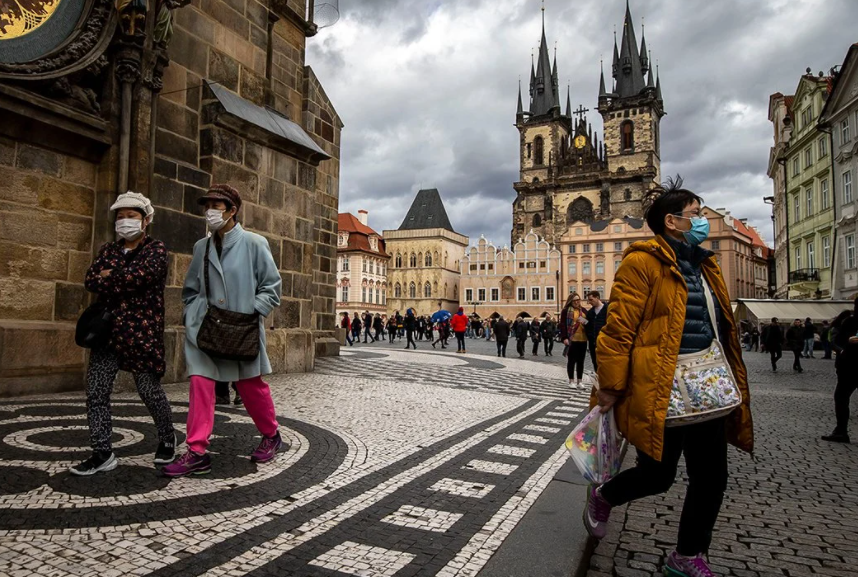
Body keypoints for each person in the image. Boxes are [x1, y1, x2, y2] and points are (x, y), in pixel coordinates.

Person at [584, 177, 752, 577]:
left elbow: (719, 323)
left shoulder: (705, 264)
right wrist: (609, 386)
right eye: (695, 215)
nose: (702, 221)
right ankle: (606, 494)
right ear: (671, 222)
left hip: (708, 385)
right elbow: (618, 328)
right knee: (657, 476)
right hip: (661, 384)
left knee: (711, 478)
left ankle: (687, 555)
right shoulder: (641, 262)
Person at [163, 184, 283, 477]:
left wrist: (252, 309)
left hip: (241, 329)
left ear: (233, 211)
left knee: (250, 386)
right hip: (206, 330)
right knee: (201, 384)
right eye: (208, 206)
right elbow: (190, 289)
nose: (211, 211)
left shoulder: (255, 244)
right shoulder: (200, 247)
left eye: (218, 206)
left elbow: (272, 286)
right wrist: (194, 314)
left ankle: (271, 434)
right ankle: (197, 451)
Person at [71, 192, 177, 476]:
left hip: (141, 333)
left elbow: (140, 277)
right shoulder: (108, 250)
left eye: (131, 216)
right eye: (120, 216)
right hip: (107, 333)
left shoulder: (156, 250)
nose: (125, 221)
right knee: (96, 392)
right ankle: (102, 451)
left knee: (148, 390)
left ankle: (168, 438)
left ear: (146, 220)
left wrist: (112, 276)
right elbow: (92, 279)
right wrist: (115, 276)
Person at [822, 305, 858, 443]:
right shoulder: (848, 322)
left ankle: (841, 431)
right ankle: (840, 431)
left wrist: (845, 347)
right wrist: (846, 345)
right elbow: (836, 342)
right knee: (841, 398)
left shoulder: (849, 322)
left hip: (849, 367)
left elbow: (837, 342)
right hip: (847, 367)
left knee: (841, 398)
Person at [560, 293, 589, 389]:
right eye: (575, 300)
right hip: (572, 338)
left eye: (578, 300)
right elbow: (563, 325)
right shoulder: (566, 311)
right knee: (571, 360)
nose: (577, 302)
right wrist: (564, 337)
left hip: (583, 338)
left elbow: (588, 323)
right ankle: (571, 380)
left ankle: (580, 381)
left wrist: (584, 321)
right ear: (571, 301)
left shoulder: (584, 310)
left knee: (581, 361)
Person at [585, 291, 608, 371]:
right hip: (593, 343)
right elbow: (587, 326)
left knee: (606, 365)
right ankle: (598, 381)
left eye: (591, 300)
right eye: (588, 300)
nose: (589, 302)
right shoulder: (590, 312)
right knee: (595, 364)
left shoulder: (607, 309)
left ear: (597, 298)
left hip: (605, 343)